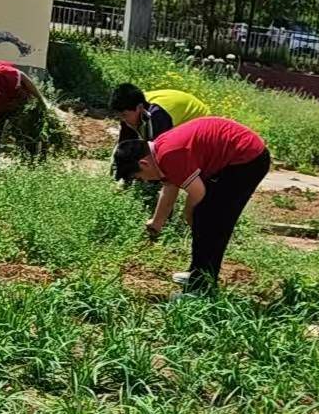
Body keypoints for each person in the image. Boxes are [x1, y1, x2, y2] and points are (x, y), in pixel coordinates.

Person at [114, 116, 271, 289]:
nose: (143, 181)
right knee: (205, 217)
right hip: (234, 157)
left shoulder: (169, 155)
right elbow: (170, 187)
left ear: (143, 163)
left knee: (211, 219)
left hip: (247, 159)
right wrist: (157, 222)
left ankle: (201, 286)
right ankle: (197, 274)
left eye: (139, 177)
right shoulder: (160, 150)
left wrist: (189, 214)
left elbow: (198, 192)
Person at [109, 81, 209, 182]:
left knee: (167, 159)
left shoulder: (157, 116)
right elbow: (125, 142)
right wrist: (119, 170)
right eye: (119, 116)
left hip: (200, 121)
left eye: (124, 115)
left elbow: (158, 155)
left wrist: (151, 179)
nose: (123, 120)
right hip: (176, 112)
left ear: (139, 108)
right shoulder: (130, 108)